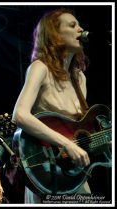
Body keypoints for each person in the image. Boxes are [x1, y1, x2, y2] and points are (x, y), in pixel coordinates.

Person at [12, 8, 93, 203]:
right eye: (72, 26)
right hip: (47, 171)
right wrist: (65, 143)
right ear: (54, 35)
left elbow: (80, 130)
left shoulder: (80, 78)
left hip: (74, 175)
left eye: (79, 25)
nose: (81, 29)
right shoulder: (40, 68)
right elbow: (20, 115)